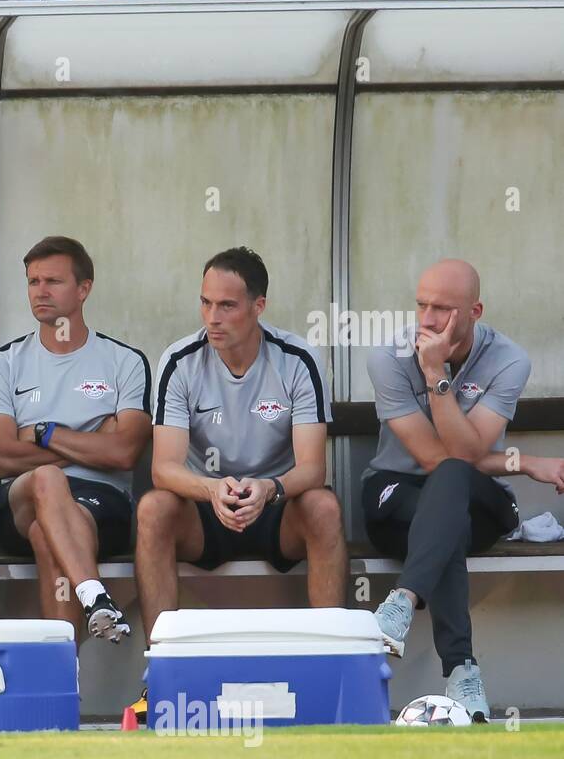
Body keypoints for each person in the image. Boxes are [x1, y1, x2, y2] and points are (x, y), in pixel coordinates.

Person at [363, 259, 564, 722]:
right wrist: (525, 463)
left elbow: (464, 455)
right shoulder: (388, 357)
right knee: (443, 514)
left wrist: (436, 375)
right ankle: (463, 670)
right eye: (422, 306)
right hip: (397, 497)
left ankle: (402, 601)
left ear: (475, 311)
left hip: (475, 498)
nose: (428, 321)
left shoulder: (509, 358)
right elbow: (434, 458)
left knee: (452, 483)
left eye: (444, 309)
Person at [135, 247, 346, 640]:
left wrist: (270, 488)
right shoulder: (180, 361)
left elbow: (313, 469)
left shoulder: (298, 358)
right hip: (205, 508)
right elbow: (163, 468)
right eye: (205, 303)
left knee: (323, 506)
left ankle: (333, 664)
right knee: (153, 508)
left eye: (227, 305)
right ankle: (160, 665)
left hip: (276, 507)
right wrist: (212, 488)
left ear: (258, 306)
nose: (213, 318)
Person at [0, 236, 151, 644]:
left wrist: (43, 433)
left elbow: (125, 451)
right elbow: (2, 457)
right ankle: (93, 594)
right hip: (20, 500)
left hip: (101, 503)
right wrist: (92, 440)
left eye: (53, 281)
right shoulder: (4, 363)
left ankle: (65, 677)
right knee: (46, 482)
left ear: (83, 288)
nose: (40, 291)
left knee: (47, 532)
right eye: (33, 281)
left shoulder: (124, 361)